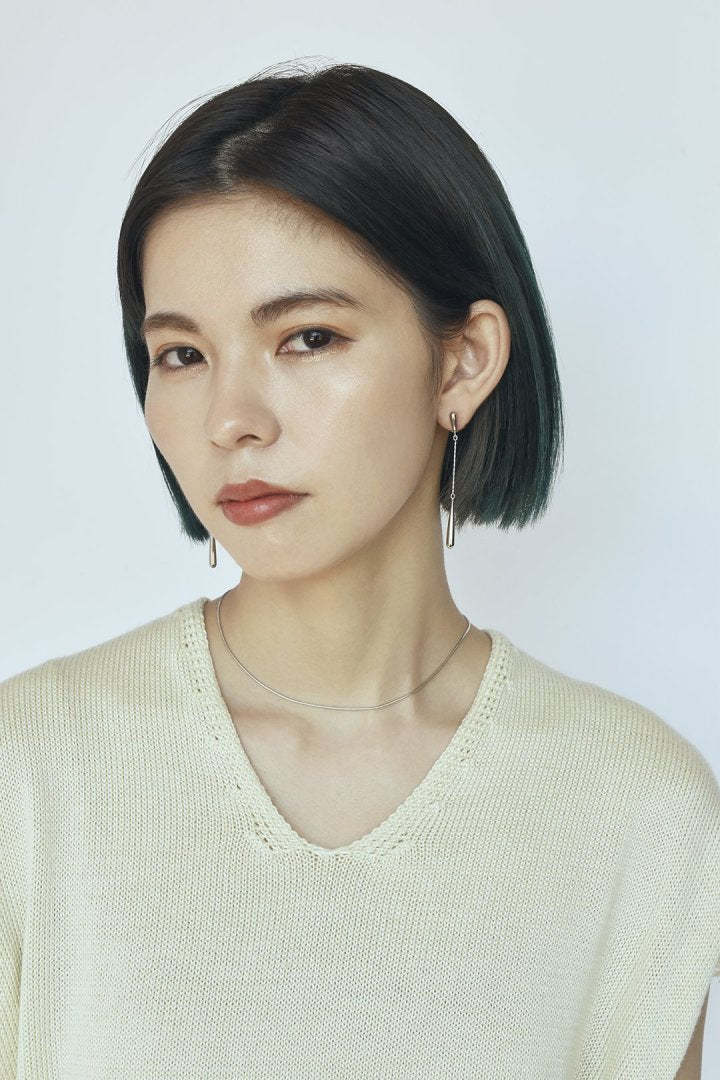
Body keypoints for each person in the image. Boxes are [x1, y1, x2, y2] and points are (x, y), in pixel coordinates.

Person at [1, 60, 718, 1079]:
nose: (231, 421)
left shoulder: (637, 813)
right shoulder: (31, 773)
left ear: (463, 361)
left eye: (307, 338)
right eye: (182, 355)